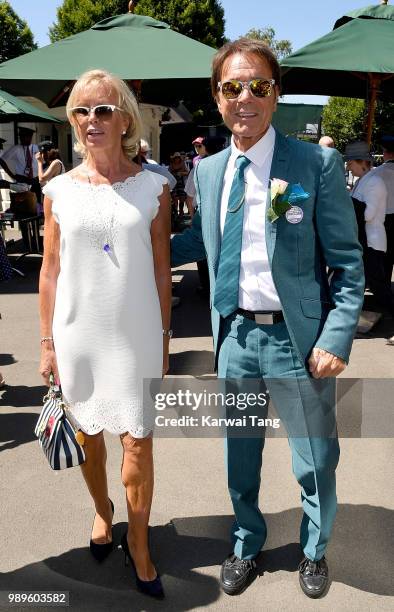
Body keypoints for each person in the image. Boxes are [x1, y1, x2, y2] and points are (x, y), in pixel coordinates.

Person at [171, 38, 364, 599]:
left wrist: (336, 336)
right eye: (232, 87)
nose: (245, 97)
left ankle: (314, 548)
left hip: (296, 340)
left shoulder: (314, 163)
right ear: (217, 97)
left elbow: (349, 266)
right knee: (241, 453)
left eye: (258, 85)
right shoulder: (208, 172)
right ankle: (247, 541)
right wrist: (134, 236)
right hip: (234, 336)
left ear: (277, 95)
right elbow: (201, 243)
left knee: (316, 458)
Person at [39, 69, 171, 599]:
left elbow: (162, 269)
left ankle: (139, 542)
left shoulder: (155, 186)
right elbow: (49, 270)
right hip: (78, 336)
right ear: (73, 122)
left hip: (136, 333)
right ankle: (102, 511)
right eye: (81, 111)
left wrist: (164, 337)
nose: (92, 120)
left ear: (125, 119)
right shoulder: (57, 191)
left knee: (138, 445)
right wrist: (47, 343)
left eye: (103, 109)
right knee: (89, 438)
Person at [345, 141, 394, 322]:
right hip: (366, 241)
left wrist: (348, 202)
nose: (349, 167)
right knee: (368, 286)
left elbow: (368, 214)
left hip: (372, 242)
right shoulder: (364, 181)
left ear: (361, 162)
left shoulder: (375, 182)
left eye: (350, 163)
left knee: (380, 288)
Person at [0, 127, 41, 202]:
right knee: (22, 204)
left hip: (35, 181)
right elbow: (2, 160)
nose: (22, 139)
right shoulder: (16, 148)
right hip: (22, 180)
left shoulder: (36, 148)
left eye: (26, 137)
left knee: (36, 205)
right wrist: (11, 175)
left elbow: (41, 163)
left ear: (30, 137)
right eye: (21, 137)